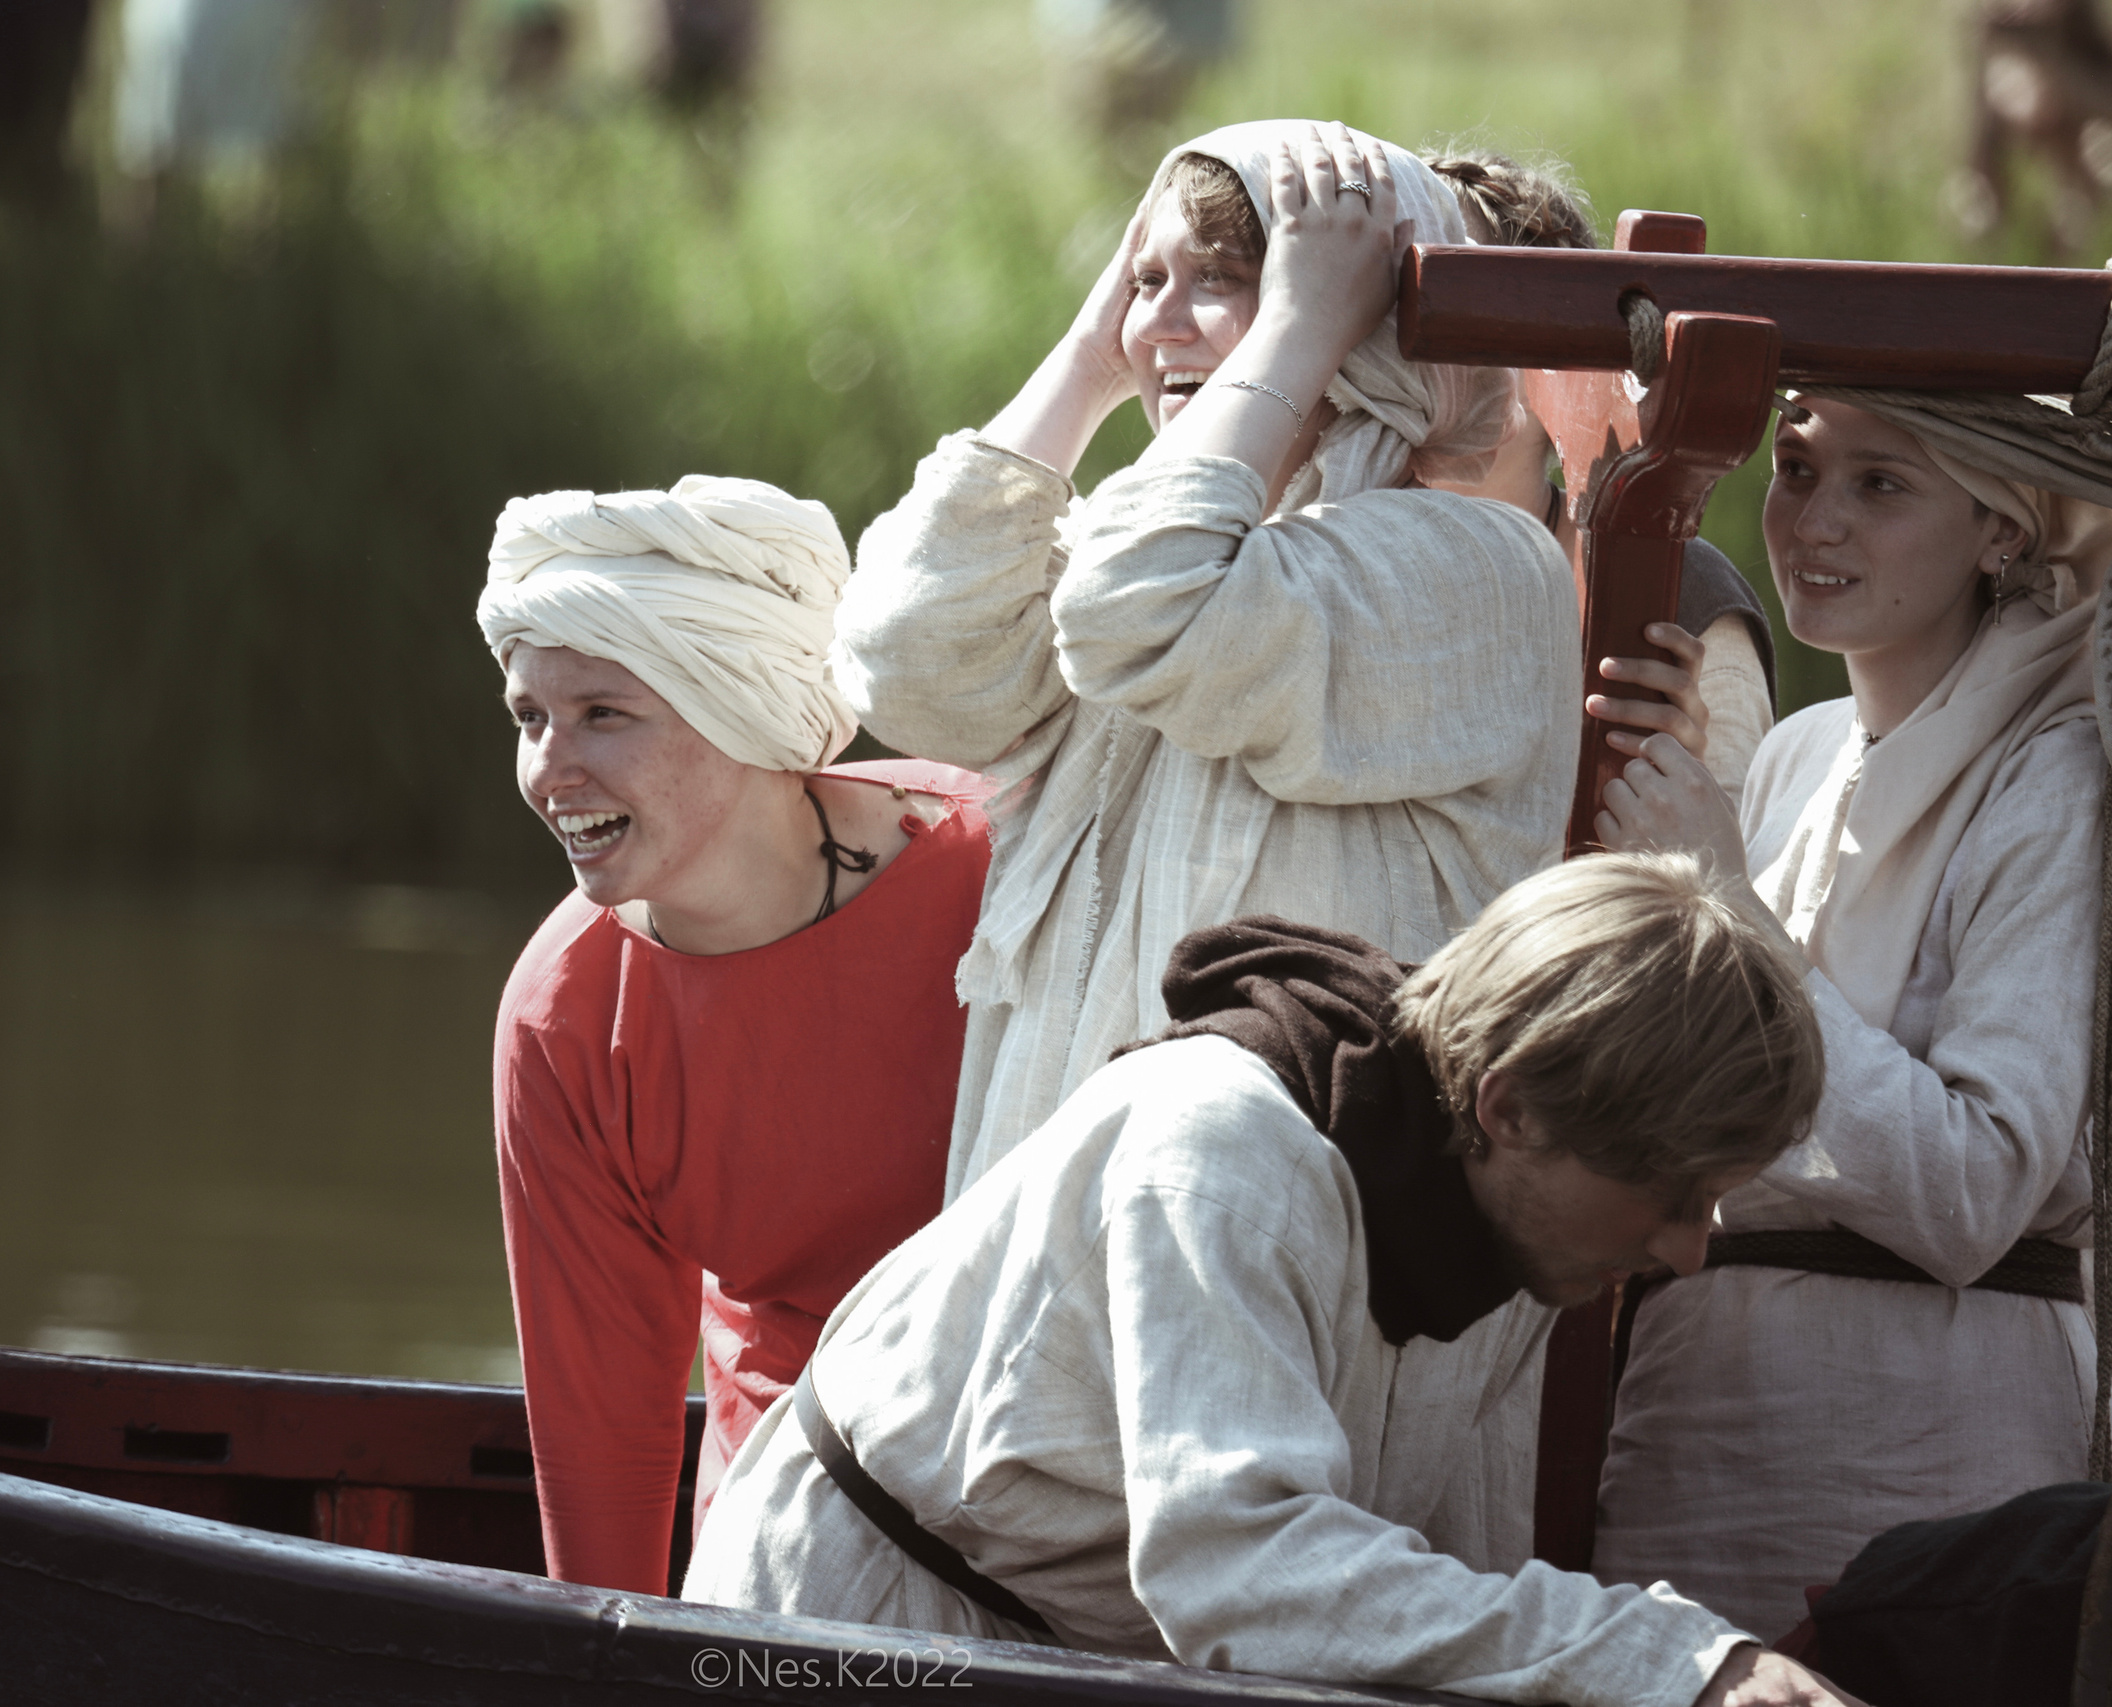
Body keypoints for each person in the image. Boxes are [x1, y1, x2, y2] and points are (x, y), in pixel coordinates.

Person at [685, 853, 1855, 1707]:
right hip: (852, 1639)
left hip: (1063, 1650)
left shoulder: (1503, 1208)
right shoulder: (1220, 1157)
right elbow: (1235, 1572)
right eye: (1671, 1192)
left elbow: (1390, 1566)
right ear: (1510, 1108)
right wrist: (1671, 1662)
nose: (1691, 1248)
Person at [834, 120, 1577, 1204]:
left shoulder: (1479, 571)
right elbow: (906, 663)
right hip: (1060, 1223)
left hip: (1284, 1268)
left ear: (1362, 322)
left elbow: (1146, 609)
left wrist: (1302, 322)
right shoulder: (1147, 549)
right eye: (1144, 280)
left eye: (1223, 278)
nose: (1161, 323)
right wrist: (1094, 355)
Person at [1589, 385, 2109, 1638]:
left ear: (2003, 528)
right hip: (1689, 1411)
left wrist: (1722, 897)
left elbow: (1973, 1189)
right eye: (1799, 470)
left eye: (1880, 485)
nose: (1813, 522)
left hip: (1927, 1436)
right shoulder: (1792, 752)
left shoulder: (2058, 773)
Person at [480, 474, 993, 1596]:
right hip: (793, 1519)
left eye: (601, 714)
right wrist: (607, 1675)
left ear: (738, 702)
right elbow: (600, 1417)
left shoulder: (1003, 868)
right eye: (530, 718)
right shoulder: (564, 1016)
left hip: (1050, 1457)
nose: (546, 769)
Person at [1423, 150, 1780, 805]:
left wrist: (1687, 786)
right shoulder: (1312, 546)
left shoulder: (1681, 598)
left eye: (1483, 312)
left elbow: (1734, 878)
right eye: (1426, 313)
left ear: (1569, 355)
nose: (1444, 354)